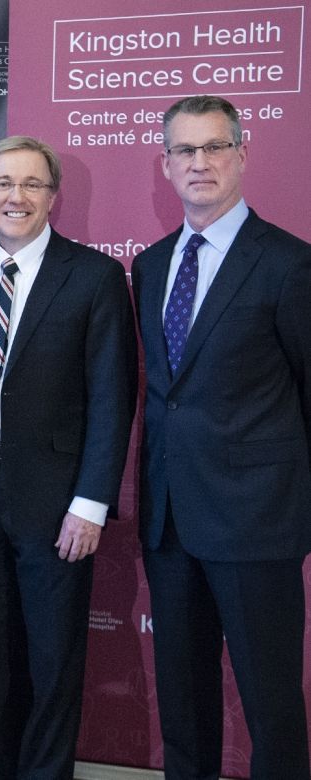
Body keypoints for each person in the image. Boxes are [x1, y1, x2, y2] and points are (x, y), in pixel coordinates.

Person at [0, 136, 136, 779]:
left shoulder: (94, 276)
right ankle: (7, 765)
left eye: (30, 184)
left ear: (53, 196)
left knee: (53, 657)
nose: (14, 197)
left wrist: (90, 503)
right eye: (2, 183)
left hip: (57, 502)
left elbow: (113, 399)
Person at [133, 94, 311, 778]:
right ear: (166, 164)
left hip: (257, 524)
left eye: (214, 147)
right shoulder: (150, 266)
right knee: (183, 702)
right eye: (185, 150)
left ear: (242, 154)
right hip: (171, 518)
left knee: (271, 705)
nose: (199, 162)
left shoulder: (290, 266)